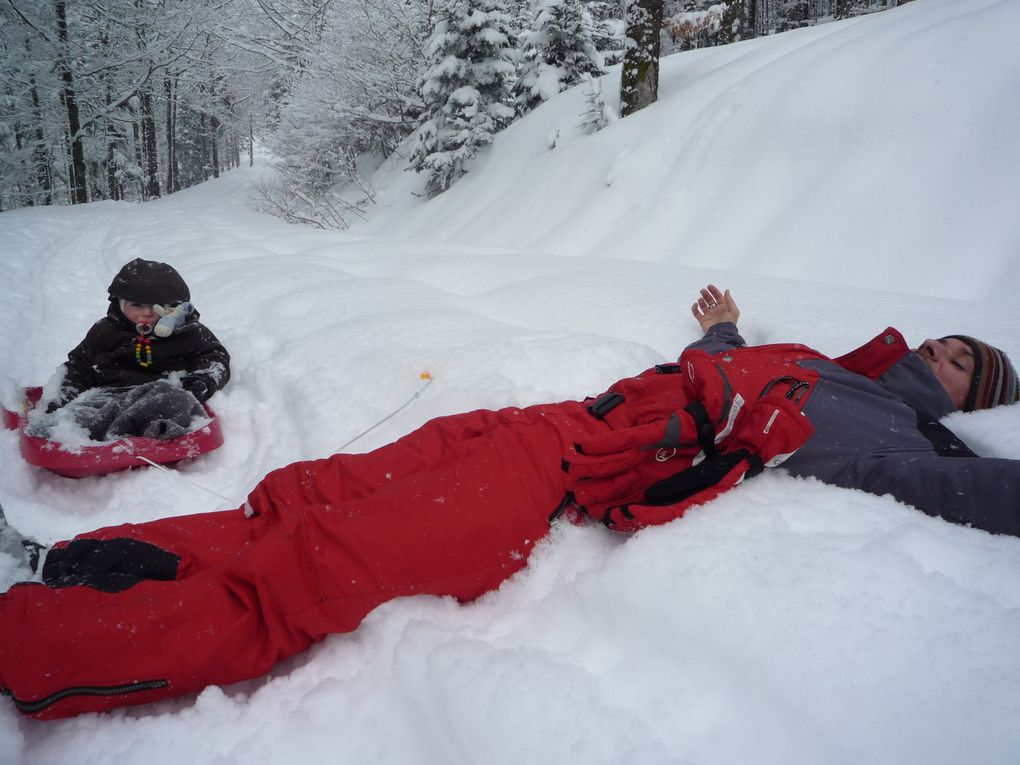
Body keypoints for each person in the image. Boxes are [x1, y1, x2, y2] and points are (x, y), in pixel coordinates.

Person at [1, 285, 1017, 720]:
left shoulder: (900, 445)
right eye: (950, 339)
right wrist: (729, 327)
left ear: (971, 403)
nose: (944, 350)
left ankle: (35, 645)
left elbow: (975, 490)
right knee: (300, 500)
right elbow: (727, 368)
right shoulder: (817, 364)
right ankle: (72, 563)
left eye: (966, 363)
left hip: (561, 483)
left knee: (307, 574)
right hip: (549, 420)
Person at [27, 258, 230, 442]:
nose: (147, 313)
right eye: (136, 305)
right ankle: (71, 433)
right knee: (82, 413)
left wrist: (200, 384)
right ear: (120, 304)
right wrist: (60, 401)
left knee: (176, 400)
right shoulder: (106, 331)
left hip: (159, 394)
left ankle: (151, 432)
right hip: (109, 396)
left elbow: (215, 359)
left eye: (157, 306)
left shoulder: (188, 333)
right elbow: (80, 366)